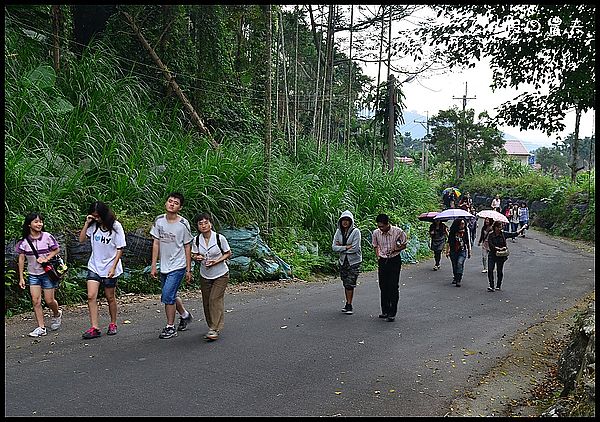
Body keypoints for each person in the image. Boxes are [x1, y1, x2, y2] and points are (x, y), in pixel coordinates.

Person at [78, 201, 126, 339]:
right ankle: (95, 327)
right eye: (94, 216)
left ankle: (113, 323)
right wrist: (87, 223)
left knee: (110, 297)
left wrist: (113, 267)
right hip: (94, 265)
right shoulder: (93, 226)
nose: (96, 219)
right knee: (91, 296)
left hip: (110, 266)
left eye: (98, 216)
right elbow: (81, 240)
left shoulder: (116, 226)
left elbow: (120, 248)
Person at [150, 192, 194, 339]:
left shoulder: (183, 224)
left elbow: (187, 246)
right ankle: (185, 315)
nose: (172, 204)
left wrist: (188, 269)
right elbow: (156, 243)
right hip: (164, 265)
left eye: (175, 203)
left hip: (178, 265)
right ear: (166, 203)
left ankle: (170, 327)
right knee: (171, 295)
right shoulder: (159, 221)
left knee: (167, 295)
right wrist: (154, 265)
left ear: (180, 207)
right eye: (170, 201)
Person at [15, 212, 63, 337]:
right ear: (29, 224)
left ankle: (57, 313)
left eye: (41, 221)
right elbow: (21, 259)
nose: (39, 224)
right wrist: (21, 277)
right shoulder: (24, 242)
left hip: (47, 274)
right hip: (33, 275)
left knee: (49, 300)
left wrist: (47, 258)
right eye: (36, 222)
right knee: (36, 301)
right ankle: (41, 327)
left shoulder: (47, 236)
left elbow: (56, 249)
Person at [191, 212, 232, 341]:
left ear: (211, 223)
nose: (203, 225)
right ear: (197, 226)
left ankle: (215, 328)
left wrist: (217, 261)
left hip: (221, 273)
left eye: (206, 222)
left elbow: (228, 253)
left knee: (215, 299)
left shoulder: (220, 238)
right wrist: (197, 257)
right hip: (205, 274)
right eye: (200, 223)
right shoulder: (196, 240)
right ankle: (211, 326)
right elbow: (193, 254)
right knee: (207, 301)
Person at [372, 214, 407, 322]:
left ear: (388, 224)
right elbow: (375, 245)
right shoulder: (376, 233)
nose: (381, 228)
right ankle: (385, 310)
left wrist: (397, 248)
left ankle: (392, 311)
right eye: (379, 226)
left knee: (393, 285)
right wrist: (378, 256)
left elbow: (404, 244)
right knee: (383, 286)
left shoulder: (398, 232)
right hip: (383, 260)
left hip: (394, 259)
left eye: (382, 226)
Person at [332, 210, 362, 314]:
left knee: (350, 283)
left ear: (351, 221)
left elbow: (355, 248)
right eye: (343, 220)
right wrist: (345, 247)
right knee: (345, 283)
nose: (345, 222)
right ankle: (347, 303)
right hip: (342, 261)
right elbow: (334, 247)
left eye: (347, 220)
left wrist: (341, 247)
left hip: (353, 262)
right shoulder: (338, 232)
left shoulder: (356, 232)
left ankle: (349, 305)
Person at [486, 221, 527, 291]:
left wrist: (522, 228)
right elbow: (490, 244)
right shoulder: (491, 235)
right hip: (492, 254)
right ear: (495, 227)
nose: (500, 229)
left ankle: (498, 285)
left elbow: (514, 234)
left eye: (501, 227)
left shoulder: (503, 234)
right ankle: (491, 285)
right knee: (490, 269)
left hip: (501, 255)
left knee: (499, 270)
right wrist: (497, 248)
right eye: (498, 227)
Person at [445, 218, 472, 287]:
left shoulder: (465, 231)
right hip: (453, 250)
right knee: (454, 265)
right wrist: (447, 250)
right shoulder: (453, 232)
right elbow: (449, 241)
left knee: (460, 263)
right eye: (461, 224)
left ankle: (458, 279)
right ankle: (455, 277)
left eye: (463, 223)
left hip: (462, 250)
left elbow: (468, 241)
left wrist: (469, 251)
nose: (462, 225)